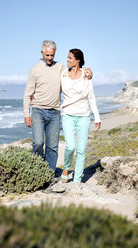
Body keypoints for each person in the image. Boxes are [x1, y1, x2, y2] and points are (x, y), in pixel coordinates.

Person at [23, 40, 92, 173]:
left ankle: (48, 174)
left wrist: (88, 70)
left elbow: (75, 71)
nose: (49, 58)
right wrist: (26, 114)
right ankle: (37, 172)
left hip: (55, 112)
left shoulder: (60, 68)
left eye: (52, 55)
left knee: (53, 147)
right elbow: (27, 94)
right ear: (42, 53)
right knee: (38, 143)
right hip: (38, 111)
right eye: (47, 55)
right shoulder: (34, 70)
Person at [60, 48, 101, 183]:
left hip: (83, 116)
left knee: (81, 150)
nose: (67, 60)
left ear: (78, 60)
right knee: (70, 146)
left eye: (70, 58)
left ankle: (77, 180)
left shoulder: (86, 75)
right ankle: (66, 168)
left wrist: (97, 117)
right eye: (67, 58)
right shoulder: (63, 74)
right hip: (67, 114)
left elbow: (91, 97)